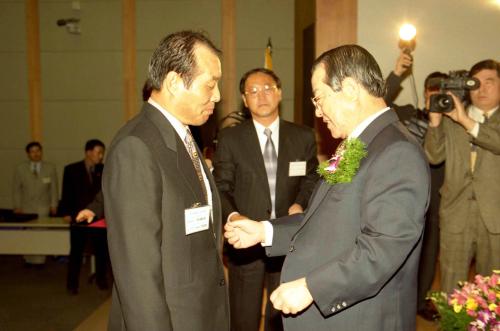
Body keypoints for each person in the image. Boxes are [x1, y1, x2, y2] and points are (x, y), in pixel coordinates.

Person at [224, 44, 430, 331]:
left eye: (319, 99)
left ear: (349, 89)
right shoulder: (361, 143)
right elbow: (321, 218)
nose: (318, 112)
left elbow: (383, 249)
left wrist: (311, 288)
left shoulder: (396, 151)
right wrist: (265, 231)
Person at [102, 31, 229, 331]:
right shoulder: (137, 147)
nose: (218, 96)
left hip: (199, 312)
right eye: (210, 84)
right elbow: (137, 273)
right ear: (174, 82)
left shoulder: (181, 135)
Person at [213, 68, 319, 331]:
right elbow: (221, 185)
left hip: (288, 239)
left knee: (282, 315)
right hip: (246, 243)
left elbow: (312, 177)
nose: (262, 96)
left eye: (268, 88)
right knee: (244, 317)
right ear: (244, 99)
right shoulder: (230, 138)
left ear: (280, 93)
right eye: (253, 91)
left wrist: (301, 203)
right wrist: (234, 216)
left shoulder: (303, 136)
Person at [424, 59, 500, 294]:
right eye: (476, 83)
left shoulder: (462, 117)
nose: (482, 89)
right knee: (451, 290)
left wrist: (465, 121)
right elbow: (433, 156)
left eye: (490, 82)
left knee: (494, 294)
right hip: (456, 215)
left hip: (495, 217)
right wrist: (435, 122)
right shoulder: (452, 116)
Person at [384, 51, 448, 320]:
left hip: (440, 198)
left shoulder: (457, 125)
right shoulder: (408, 114)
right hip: (404, 196)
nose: (434, 96)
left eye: (440, 92)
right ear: (424, 92)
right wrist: (397, 74)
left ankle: (420, 300)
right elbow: (379, 103)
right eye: (431, 90)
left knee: (431, 252)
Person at [58, 139, 109, 294]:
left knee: (102, 251)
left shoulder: (105, 169)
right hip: (79, 217)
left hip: (98, 218)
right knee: (76, 252)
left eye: (102, 153)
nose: (101, 156)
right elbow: (66, 193)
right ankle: (72, 284)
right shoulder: (71, 169)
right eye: (98, 152)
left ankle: (101, 280)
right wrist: (66, 212)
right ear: (88, 152)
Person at [13, 141, 58, 267]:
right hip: (26, 207)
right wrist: (17, 206)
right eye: (33, 151)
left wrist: (54, 205)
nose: (36, 154)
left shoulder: (50, 167)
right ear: (28, 154)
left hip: (43, 206)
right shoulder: (20, 168)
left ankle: (40, 260)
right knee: (28, 233)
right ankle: (28, 259)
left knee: (42, 233)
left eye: (38, 151)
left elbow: (54, 188)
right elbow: (16, 189)